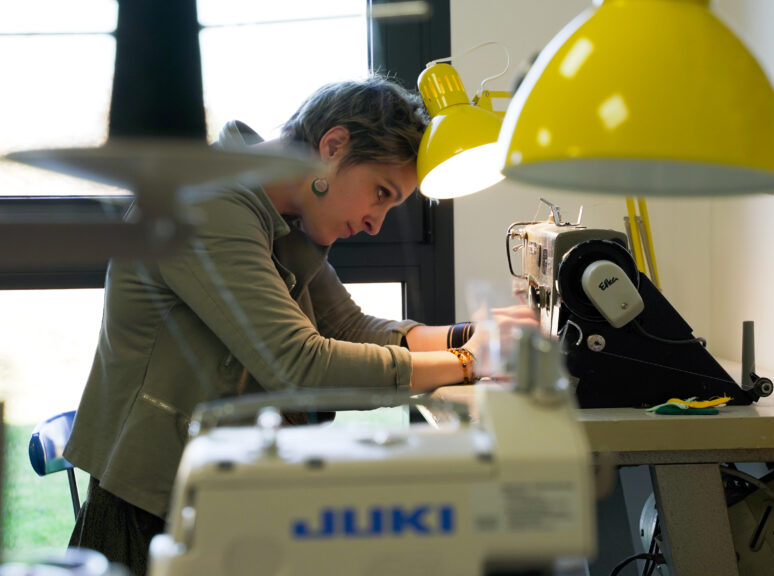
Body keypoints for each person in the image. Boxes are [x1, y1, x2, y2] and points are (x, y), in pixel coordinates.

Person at [64, 75, 535, 575]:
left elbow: (348, 326)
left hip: (215, 493)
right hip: (146, 511)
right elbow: (299, 363)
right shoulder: (207, 203)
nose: (376, 222)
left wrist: (473, 336)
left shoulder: (277, 216)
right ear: (332, 147)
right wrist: (465, 363)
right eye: (380, 193)